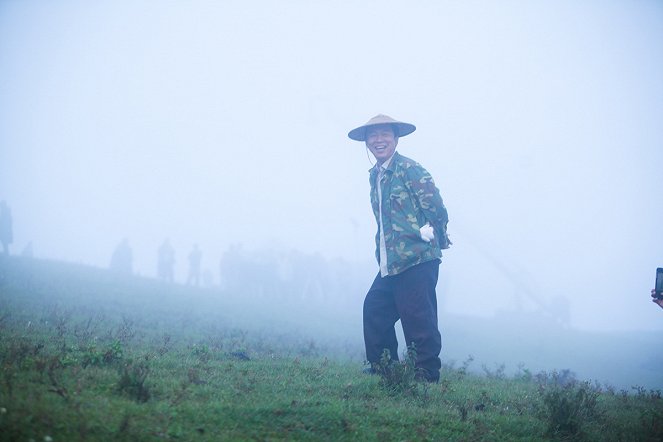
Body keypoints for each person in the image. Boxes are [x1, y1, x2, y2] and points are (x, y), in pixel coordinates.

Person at [348, 114, 451, 383]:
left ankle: (426, 375)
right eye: (373, 136)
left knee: (418, 319)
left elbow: (436, 206)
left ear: (395, 139)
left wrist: (434, 236)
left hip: (417, 258)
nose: (378, 140)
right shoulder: (376, 176)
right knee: (375, 309)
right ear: (367, 142)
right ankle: (385, 369)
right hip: (390, 261)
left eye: (384, 134)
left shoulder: (410, 169)